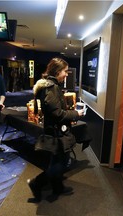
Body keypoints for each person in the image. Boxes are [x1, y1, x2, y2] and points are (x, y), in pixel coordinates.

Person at [28, 57, 85, 202]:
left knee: (58, 160)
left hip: (56, 131)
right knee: (60, 162)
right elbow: (57, 114)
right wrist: (76, 114)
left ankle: (57, 187)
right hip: (57, 133)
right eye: (65, 71)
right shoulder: (51, 88)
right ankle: (37, 183)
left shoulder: (50, 86)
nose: (67, 74)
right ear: (58, 71)